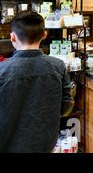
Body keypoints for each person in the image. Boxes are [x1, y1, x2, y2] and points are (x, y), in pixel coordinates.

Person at [0, 11, 73, 153]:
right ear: (44, 35)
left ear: (12, 37)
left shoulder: (2, 70)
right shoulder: (58, 66)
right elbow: (66, 107)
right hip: (45, 144)